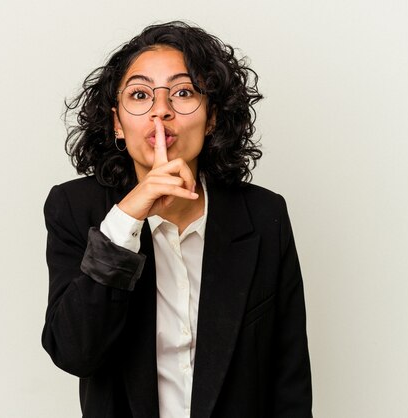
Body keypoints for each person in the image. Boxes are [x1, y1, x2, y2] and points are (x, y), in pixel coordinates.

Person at [42, 21, 312, 418]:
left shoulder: (264, 215)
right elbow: (75, 352)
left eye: (183, 92)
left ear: (213, 117)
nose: (161, 110)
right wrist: (126, 220)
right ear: (118, 122)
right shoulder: (75, 208)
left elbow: (289, 377)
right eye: (140, 95)